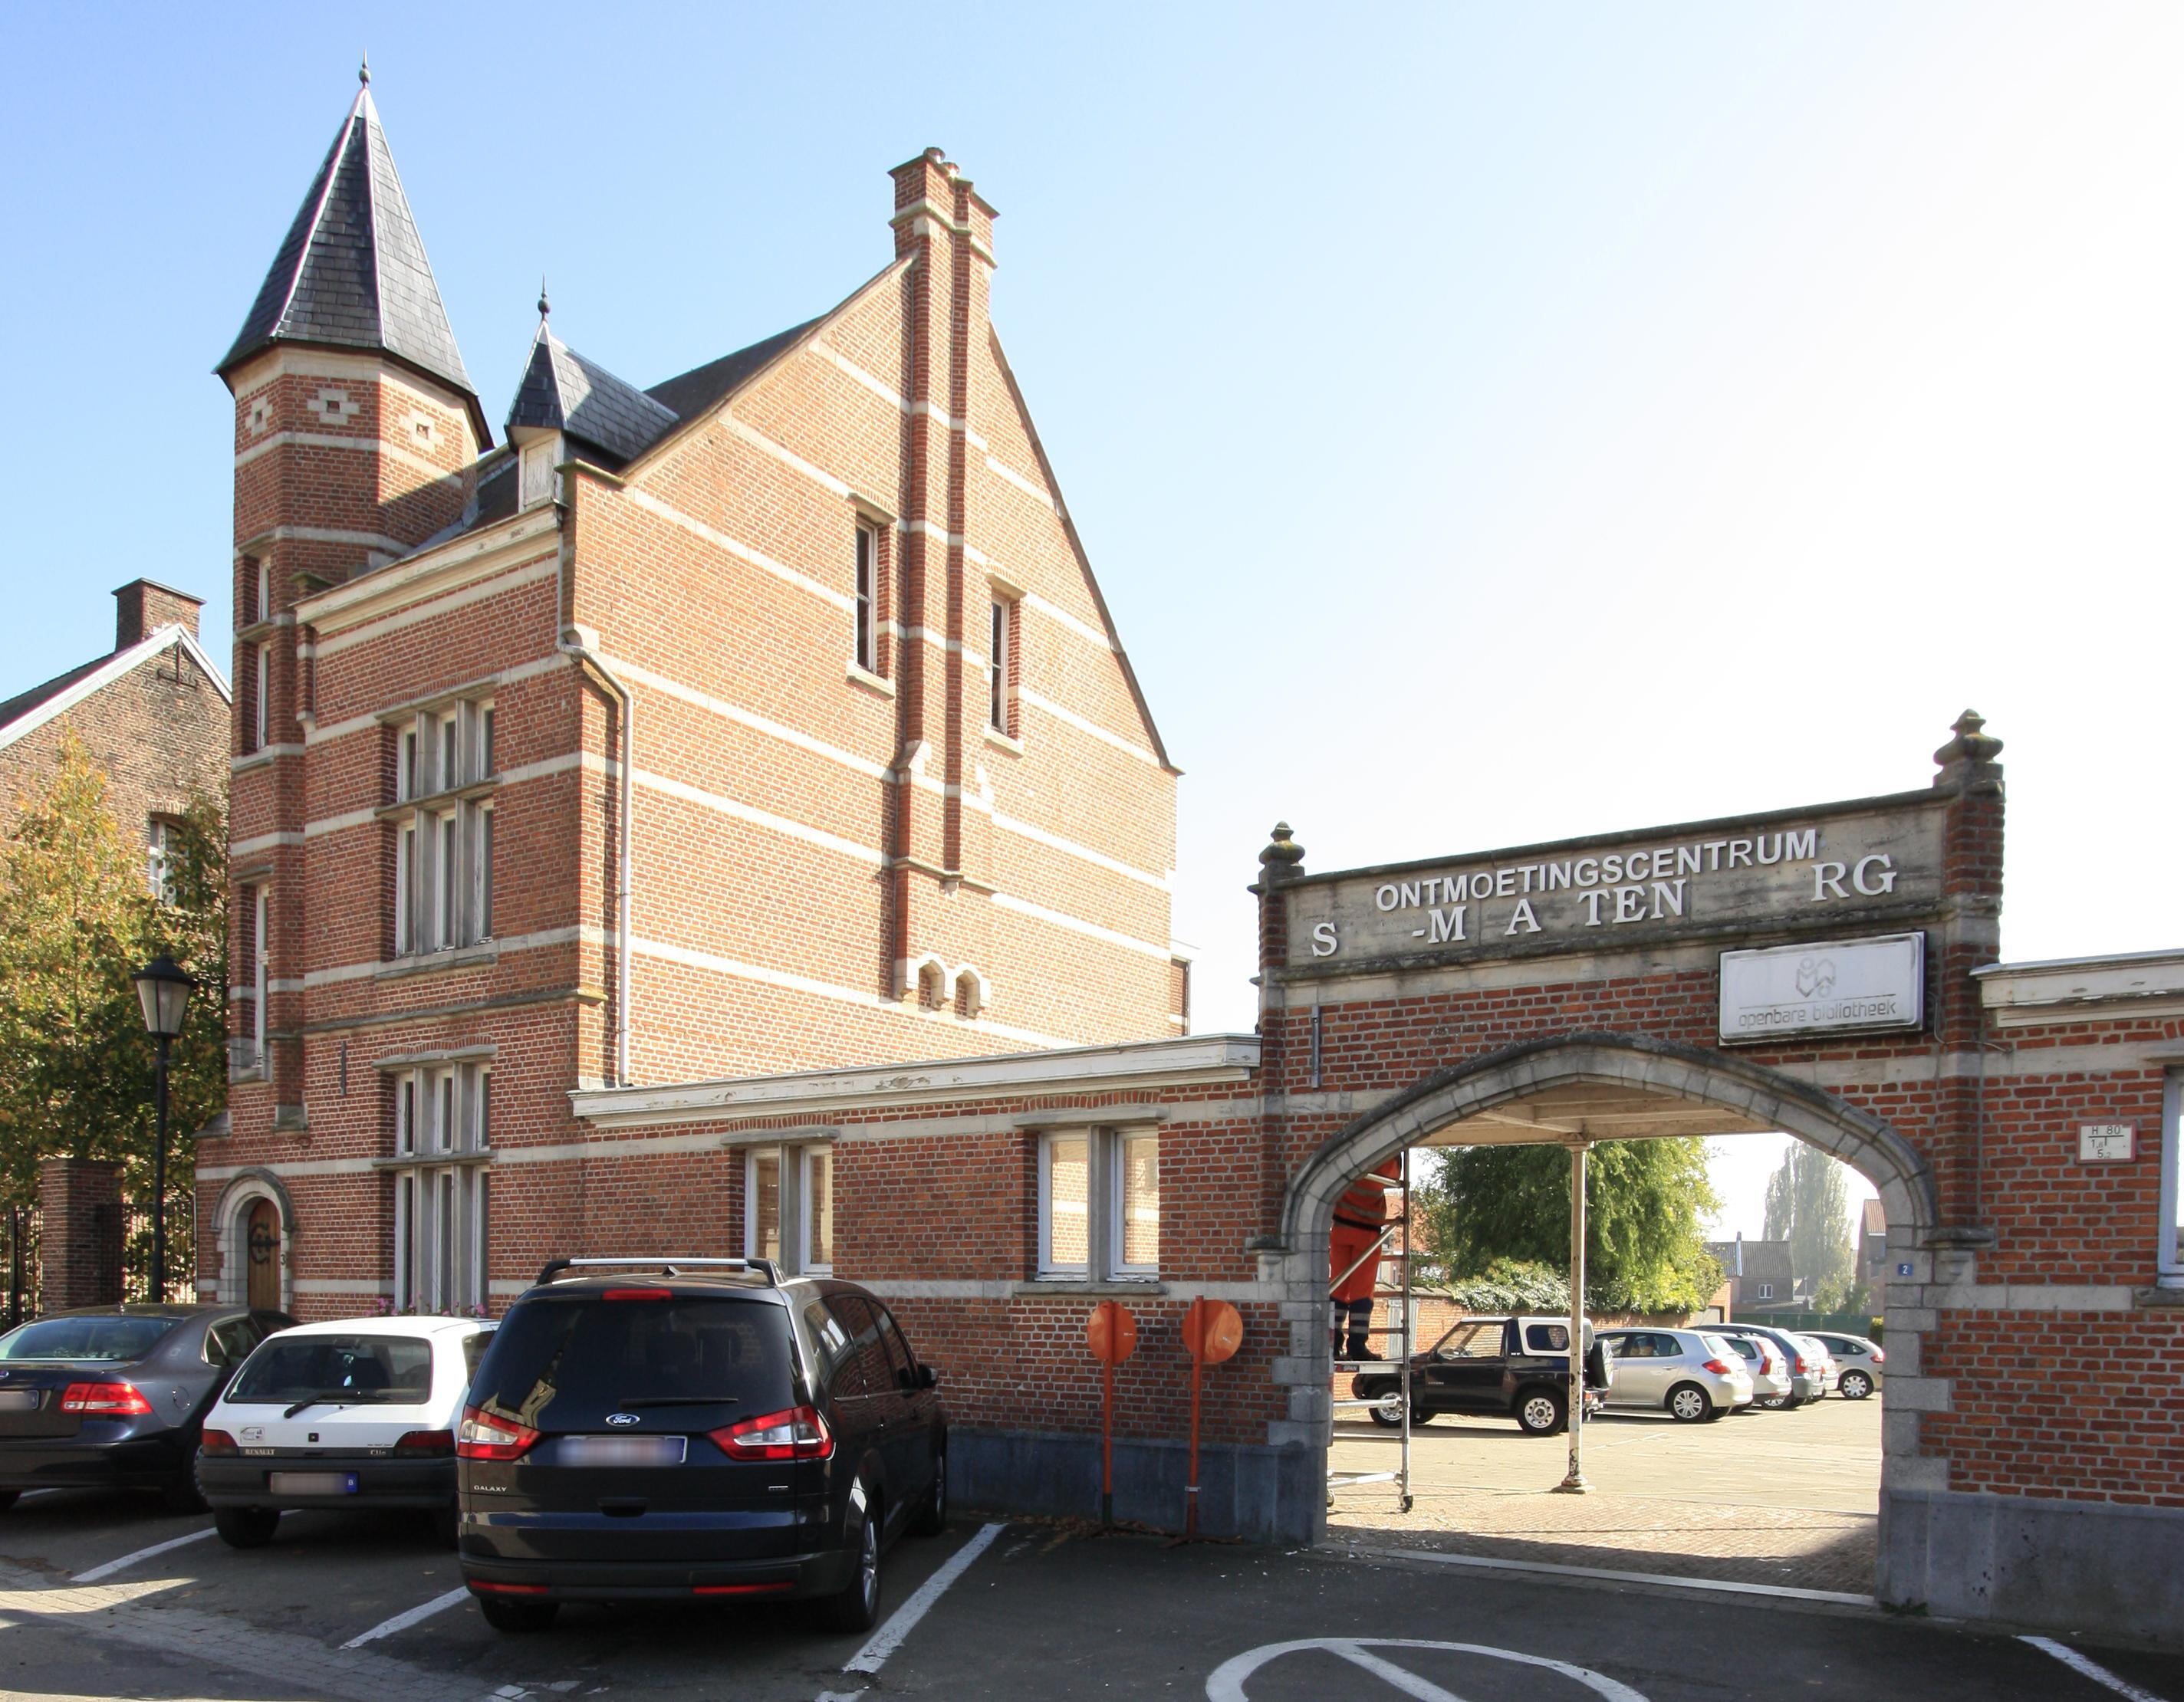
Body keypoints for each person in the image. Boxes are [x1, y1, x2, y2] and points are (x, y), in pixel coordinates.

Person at [1330, 1158, 1401, 1360]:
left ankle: (1331, 1343)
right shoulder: (1380, 1158)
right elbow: (1394, 1174)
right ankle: (1357, 1345)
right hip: (1366, 1234)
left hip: (1340, 1228)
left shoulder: (1346, 1157)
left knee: (1337, 1287)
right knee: (1362, 1290)